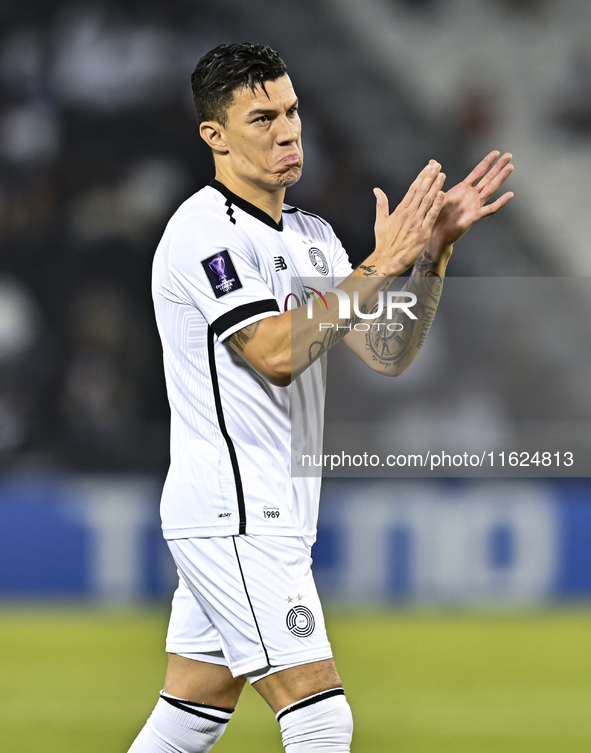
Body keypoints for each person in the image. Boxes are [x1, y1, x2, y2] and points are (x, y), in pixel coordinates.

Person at [128, 42, 514, 753]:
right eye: (261, 118)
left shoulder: (311, 237)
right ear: (214, 136)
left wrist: (432, 253)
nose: (287, 132)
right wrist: (378, 263)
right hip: (235, 509)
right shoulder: (202, 233)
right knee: (319, 718)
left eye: (293, 111)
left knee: (188, 718)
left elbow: (385, 353)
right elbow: (274, 353)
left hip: (271, 512)